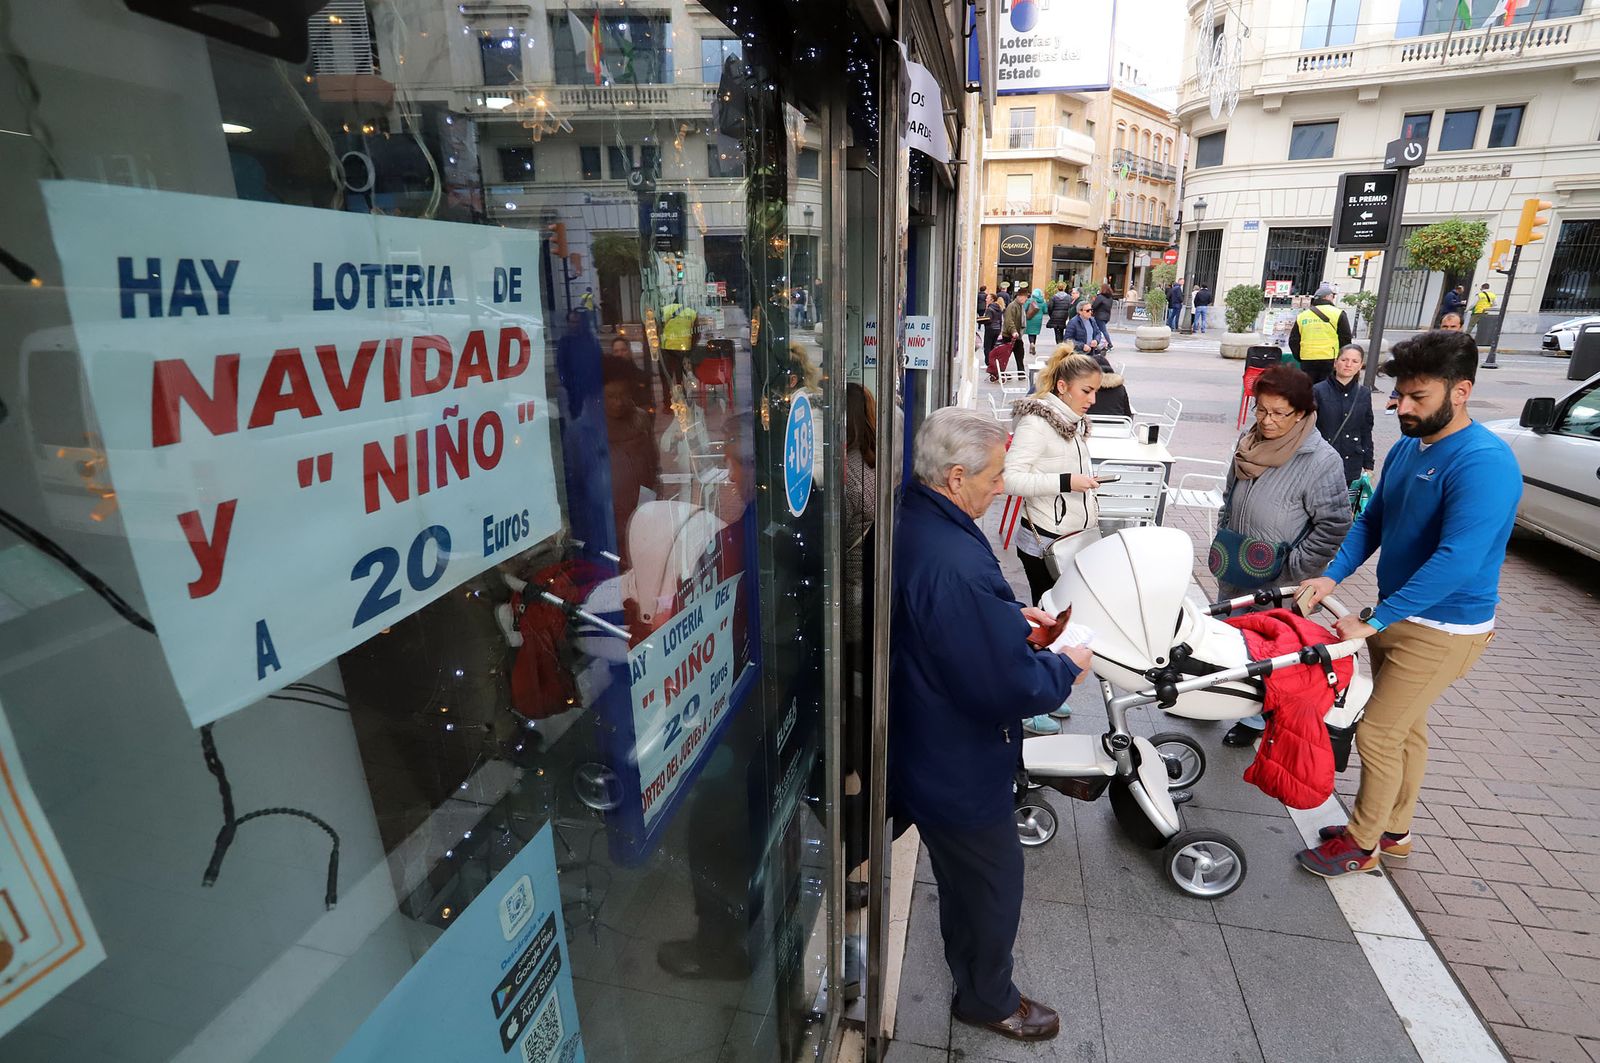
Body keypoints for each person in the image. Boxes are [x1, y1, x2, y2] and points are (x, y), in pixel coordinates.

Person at [889, 407, 1091, 1043]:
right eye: (995, 475)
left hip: (924, 737)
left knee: (969, 880)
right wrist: (1065, 668)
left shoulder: (917, 515)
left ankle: (979, 981)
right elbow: (1002, 686)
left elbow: (951, 627)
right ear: (955, 477)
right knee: (991, 889)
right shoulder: (951, 558)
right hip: (955, 760)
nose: (1001, 485)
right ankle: (985, 999)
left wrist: (1007, 617)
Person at [1294, 329, 1520, 877]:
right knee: (1408, 730)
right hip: (1395, 615)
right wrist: (1333, 577)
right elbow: (1372, 520)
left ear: (1460, 391)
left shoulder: (1483, 461)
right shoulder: (1406, 448)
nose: (1404, 407)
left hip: (1444, 629)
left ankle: (1362, 843)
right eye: (1401, 395)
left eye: (1419, 397)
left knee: (1378, 732)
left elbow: (1459, 559)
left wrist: (1374, 617)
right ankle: (1394, 832)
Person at [1217, 365, 1354, 747]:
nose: (1267, 420)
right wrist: (1222, 531)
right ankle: (1221, 700)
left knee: (1263, 651)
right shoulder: (1251, 440)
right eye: (1261, 409)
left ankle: (1255, 719)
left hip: (1277, 579)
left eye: (1279, 413)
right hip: (1235, 561)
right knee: (1228, 637)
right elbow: (1229, 496)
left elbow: (1334, 525)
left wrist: (1295, 569)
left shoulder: (1320, 460)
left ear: (1301, 412)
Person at [1004, 351, 1106, 737]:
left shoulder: (1074, 421)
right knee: (1046, 624)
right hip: (1044, 541)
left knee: (1062, 620)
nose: (1092, 399)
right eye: (1086, 390)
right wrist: (1067, 482)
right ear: (1062, 386)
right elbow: (1011, 480)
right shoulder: (1038, 422)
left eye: (1095, 391)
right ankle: (1030, 703)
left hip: (1069, 537)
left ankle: (1049, 689)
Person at [1313, 343, 1376, 488]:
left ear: (1360, 366)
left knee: (1346, 507)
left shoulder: (1364, 393)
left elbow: (1366, 430)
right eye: (1344, 360)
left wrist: (1368, 464)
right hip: (1322, 460)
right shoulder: (1318, 391)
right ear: (1335, 363)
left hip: (1351, 462)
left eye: (1354, 361)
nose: (1348, 365)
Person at [1290, 283, 1352, 384]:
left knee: (1308, 389)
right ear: (1327, 297)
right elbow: (1346, 338)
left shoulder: (1303, 316)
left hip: (1307, 358)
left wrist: (1300, 356)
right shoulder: (1338, 313)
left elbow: (1293, 340)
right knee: (1327, 389)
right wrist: (1341, 357)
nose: (1333, 299)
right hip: (1330, 358)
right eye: (1332, 296)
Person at [1023, 287, 1047, 360]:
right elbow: (1045, 311)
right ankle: (1033, 344)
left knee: (1030, 332)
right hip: (1038, 319)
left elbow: (1024, 308)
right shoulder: (1042, 301)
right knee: (1035, 333)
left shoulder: (1030, 300)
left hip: (1030, 318)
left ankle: (1031, 343)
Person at [982, 292, 1004, 371]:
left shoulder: (990, 308)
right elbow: (1000, 320)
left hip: (990, 329)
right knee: (992, 347)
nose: (986, 299)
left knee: (987, 347)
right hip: (997, 329)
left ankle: (988, 363)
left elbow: (988, 319)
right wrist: (1000, 329)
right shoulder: (998, 307)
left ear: (991, 299)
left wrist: (980, 320)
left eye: (987, 298)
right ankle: (992, 362)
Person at [1090, 282, 1115, 348]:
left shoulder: (1100, 297)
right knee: (1100, 330)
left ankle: (1109, 344)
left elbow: (1094, 306)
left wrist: (1093, 301)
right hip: (1106, 316)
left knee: (1102, 330)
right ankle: (1099, 341)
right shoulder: (1110, 298)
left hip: (1099, 316)